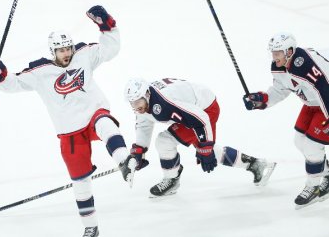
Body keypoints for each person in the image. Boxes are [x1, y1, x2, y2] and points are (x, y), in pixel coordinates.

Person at [0, 5, 136, 237]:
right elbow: (12, 84)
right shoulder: (40, 71)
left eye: (68, 48)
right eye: (61, 50)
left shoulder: (84, 54)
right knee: (80, 180)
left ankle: (124, 160)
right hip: (69, 132)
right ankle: (90, 227)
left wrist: (107, 24)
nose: (66, 53)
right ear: (52, 51)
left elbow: (110, 48)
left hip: (94, 114)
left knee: (105, 123)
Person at [123, 77, 277, 198]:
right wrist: (139, 150)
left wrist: (206, 146)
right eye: (132, 103)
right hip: (194, 106)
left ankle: (172, 179)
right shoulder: (146, 100)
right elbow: (144, 124)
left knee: (171, 143)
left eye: (138, 102)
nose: (136, 107)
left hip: (205, 108)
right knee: (197, 149)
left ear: (147, 94)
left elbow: (201, 118)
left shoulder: (164, 102)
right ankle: (256, 165)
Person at [243, 32, 329, 209]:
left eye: (278, 53)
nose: (275, 57)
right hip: (313, 102)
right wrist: (261, 100)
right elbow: (279, 90)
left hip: (326, 100)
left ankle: (313, 186)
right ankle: (326, 172)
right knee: (299, 141)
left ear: (289, 51)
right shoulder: (279, 66)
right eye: (273, 53)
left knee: (312, 145)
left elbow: (323, 87)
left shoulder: (303, 63)